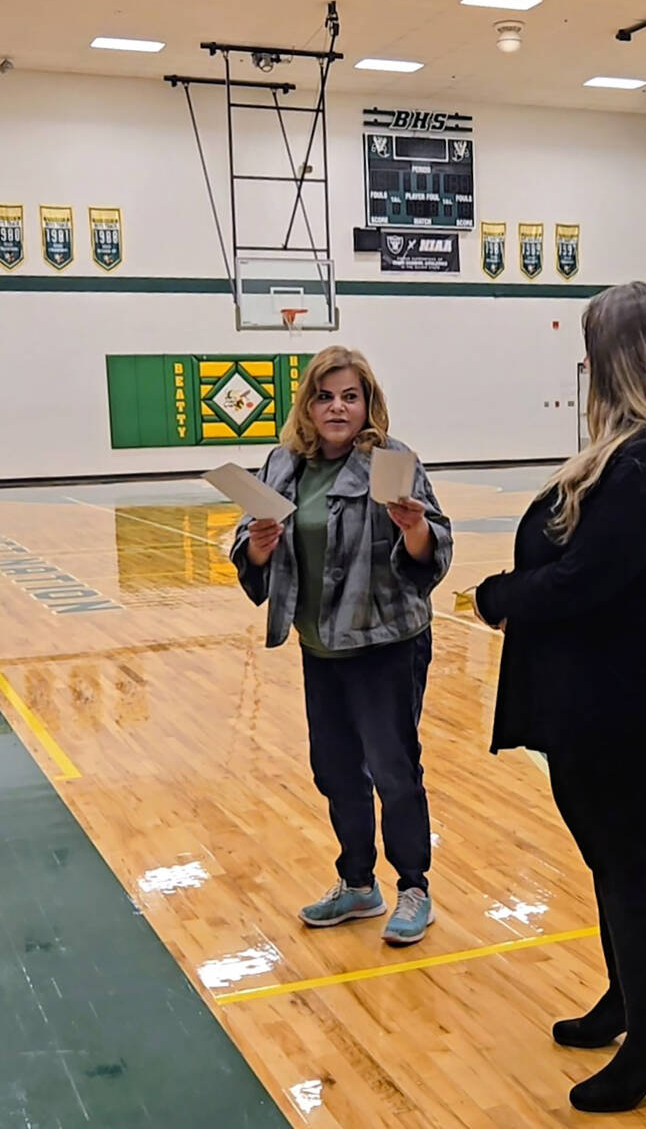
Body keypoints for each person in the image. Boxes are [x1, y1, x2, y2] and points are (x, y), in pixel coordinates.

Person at [474, 282, 646, 1113]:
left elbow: (589, 580)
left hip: (630, 693)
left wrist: (501, 595)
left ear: (619, 358)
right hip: (604, 687)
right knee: (611, 858)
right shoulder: (635, 448)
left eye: (593, 349)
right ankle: (631, 1003)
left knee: (627, 865)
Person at [230, 346, 452, 947]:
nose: (337, 407)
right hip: (320, 646)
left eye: (350, 396)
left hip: (385, 646)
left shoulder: (392, 461)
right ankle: (358, 884)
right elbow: (244, 550)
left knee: (393, 771)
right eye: (325, 396)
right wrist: (258, 544)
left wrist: (414, 531)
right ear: (308, 404)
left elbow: (436, 553)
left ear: (367, 404)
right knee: (334, 771)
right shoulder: (282, 464)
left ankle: (413, 887)